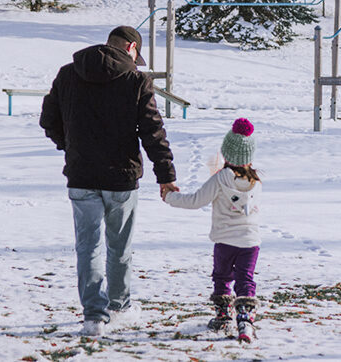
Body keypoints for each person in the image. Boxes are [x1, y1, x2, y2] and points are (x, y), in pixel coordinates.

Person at [39, 25, 178, 336]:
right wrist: (165, 175)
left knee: (87, 248)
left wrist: (70, 146)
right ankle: (119, 307)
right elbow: (152, 132)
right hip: (121, 178)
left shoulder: (68, 73)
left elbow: (48, 119)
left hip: (81, 174)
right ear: (130, 47)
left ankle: (93, 317)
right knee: (119, 248)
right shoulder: (136, 79)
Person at [162, 118, 261, 343]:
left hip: (225, 241)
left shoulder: (220, 179)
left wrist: (170, 197)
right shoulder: (257, 182)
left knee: (222, 277)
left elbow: (196, 200)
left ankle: (224, 316)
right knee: (245, 279)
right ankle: (245, 321)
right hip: (250, 243)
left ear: (226, 154)